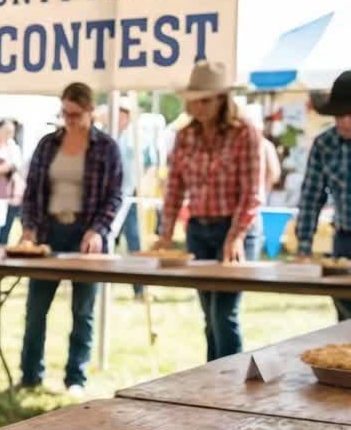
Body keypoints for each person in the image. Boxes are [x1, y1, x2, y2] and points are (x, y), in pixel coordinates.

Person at [154, 62, 264, 362]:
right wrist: (165, 233)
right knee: (208, 314)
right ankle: (214, 379)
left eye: (205, 100)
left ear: (222, 100)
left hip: (235, 228)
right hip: (198, 231)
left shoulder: (245, 134)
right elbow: (174, 187)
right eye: (194, 99)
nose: (198, 107)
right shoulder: (184, 136)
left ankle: (227, 384)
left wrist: (236, 235)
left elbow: (252, 193)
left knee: (223, 313)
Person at [18, 83, 123, 395]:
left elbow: (115, 196)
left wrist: (97, 230)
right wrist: (29, 227)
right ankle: (30, 375)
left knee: (83, 310)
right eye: (65, 113)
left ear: (91, 111)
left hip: (85, 233)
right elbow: (31, 190)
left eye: (76, 114)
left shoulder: (106, 147)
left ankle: (75, 377)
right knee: (36, 307)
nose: (70, 119)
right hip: (49, 232)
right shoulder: (48, 144)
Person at [296, 71, 351, 320]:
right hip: (345, 243)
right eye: (337, 116)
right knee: (346, 319)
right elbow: (311, 197)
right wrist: (303, 246)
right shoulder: (324, 144)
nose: (343, 122)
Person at [114, 101, 156, 298]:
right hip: (112, 198)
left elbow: (151, 164)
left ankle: (139, 288)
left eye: (122, 113)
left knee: (135, 242)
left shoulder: (139, 137)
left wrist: (145, 187)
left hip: (132, 196)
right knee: (107, 241)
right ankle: (102, 286)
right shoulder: (109, 133)